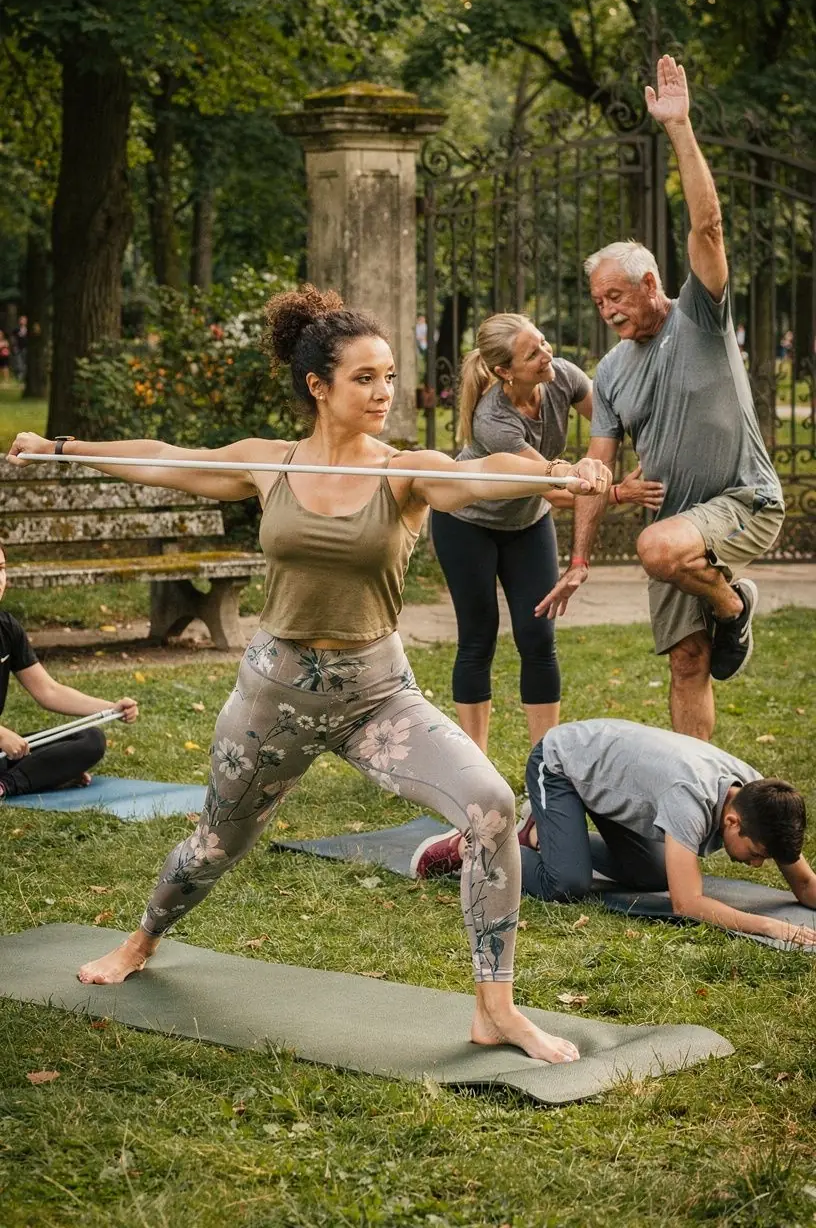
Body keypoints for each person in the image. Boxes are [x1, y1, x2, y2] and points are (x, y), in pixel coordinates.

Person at [9, 284, 612, 1063]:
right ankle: (142, 939)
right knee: (212, 847)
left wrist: (559, 472)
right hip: (274, 697)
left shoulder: (404, 473)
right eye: (365, 378)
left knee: (491, 806)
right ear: (318, 386)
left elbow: (480, 473)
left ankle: (495, 1009)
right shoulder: (271, 463)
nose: (384, 392)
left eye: (389, 376)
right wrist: (59, 447)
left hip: (378, 696)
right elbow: (167, 461)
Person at [538, 56, 785, 741]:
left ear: (650, 283)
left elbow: (708, 228)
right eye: (599, 302)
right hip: (677, 530)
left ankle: (733, 607)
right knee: (687, 660)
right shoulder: (613, 371)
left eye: (616, 295)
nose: (608, 310)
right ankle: (695, 787)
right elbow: (598, 470)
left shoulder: (700, 318)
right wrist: (579, 561)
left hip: (742, 500)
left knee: (653, 547)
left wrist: (679, 128)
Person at [430, 312, 662, 756]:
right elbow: (555, 488)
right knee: (478, 637)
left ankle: (544, 763)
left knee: (538, 636)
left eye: (542, 342)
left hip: (527, 522)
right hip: (467, 523)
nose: (546, 354)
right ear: (505, 371)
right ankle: (476, 767)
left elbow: (612, 425)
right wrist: (618, 493)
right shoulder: (493, 420)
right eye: (532, 353)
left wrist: (654, 450)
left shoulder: (564, 378)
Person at [517, 718, 816, 947]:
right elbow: (686, 903)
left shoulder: (760, 799)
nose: (757, 864)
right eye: (756, 854)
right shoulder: (688, 800)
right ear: (732, 822)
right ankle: (492, 844)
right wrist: (767, 926)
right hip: (560, 762)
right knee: (566, 884)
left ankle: (546, 835)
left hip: (607, 772)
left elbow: (804, 883)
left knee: (655, 876)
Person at [0, 543, 138, 797]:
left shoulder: (7, 628)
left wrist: (111, 708)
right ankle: (22, 780)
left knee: (89, 739)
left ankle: (10, 782)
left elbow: (48, 691)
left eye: (1, 569)